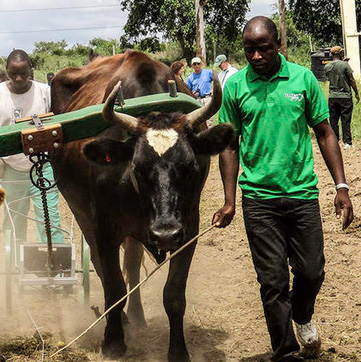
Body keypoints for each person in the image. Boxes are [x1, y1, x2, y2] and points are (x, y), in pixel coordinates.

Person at [212, 17, 353, 362]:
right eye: (249, 49)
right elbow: (229, 145)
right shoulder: (235, 87)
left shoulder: (303, 78)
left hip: (302, 194)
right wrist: (230, 200)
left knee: (311, 271)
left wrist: (342, 186)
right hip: (259, 199)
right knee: (272, 282)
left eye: (263, 48)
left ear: (278, 45)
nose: (256, 56)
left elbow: (324, 132)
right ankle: (286, 353)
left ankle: (302, 316)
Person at [0, 49, 64, 244]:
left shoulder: (45, 92)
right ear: (6, 71)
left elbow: (58, 123)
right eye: (13, 73)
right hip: (11, 168)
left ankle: (55, 264)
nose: (18, 78)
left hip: (42, 167)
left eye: (23, 73)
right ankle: (13, 264)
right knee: (14, 218)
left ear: (31, 70)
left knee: (49, 217)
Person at [324, 46, 359, 149]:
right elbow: (351, 80)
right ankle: (347, 142)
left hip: (332, 97)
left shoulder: (327, 66)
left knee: (333, 120)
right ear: (339, 53)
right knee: (346, 119)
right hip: (345, 97)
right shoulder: (345, 65)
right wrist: (356, 93)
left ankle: (334, 142)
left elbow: (333, 73)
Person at [186, 57, 214, 127]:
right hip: (197, 100)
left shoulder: (208, 73)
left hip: (207, 98)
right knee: (198, 119)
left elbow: (217, 80)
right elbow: (188, 91)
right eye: (194, 64)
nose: (196, 66)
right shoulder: (190, 78)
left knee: (209, 118)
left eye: (198, 64)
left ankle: (209, 133)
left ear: (201, 64)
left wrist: (213, 89)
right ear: (192, 66)